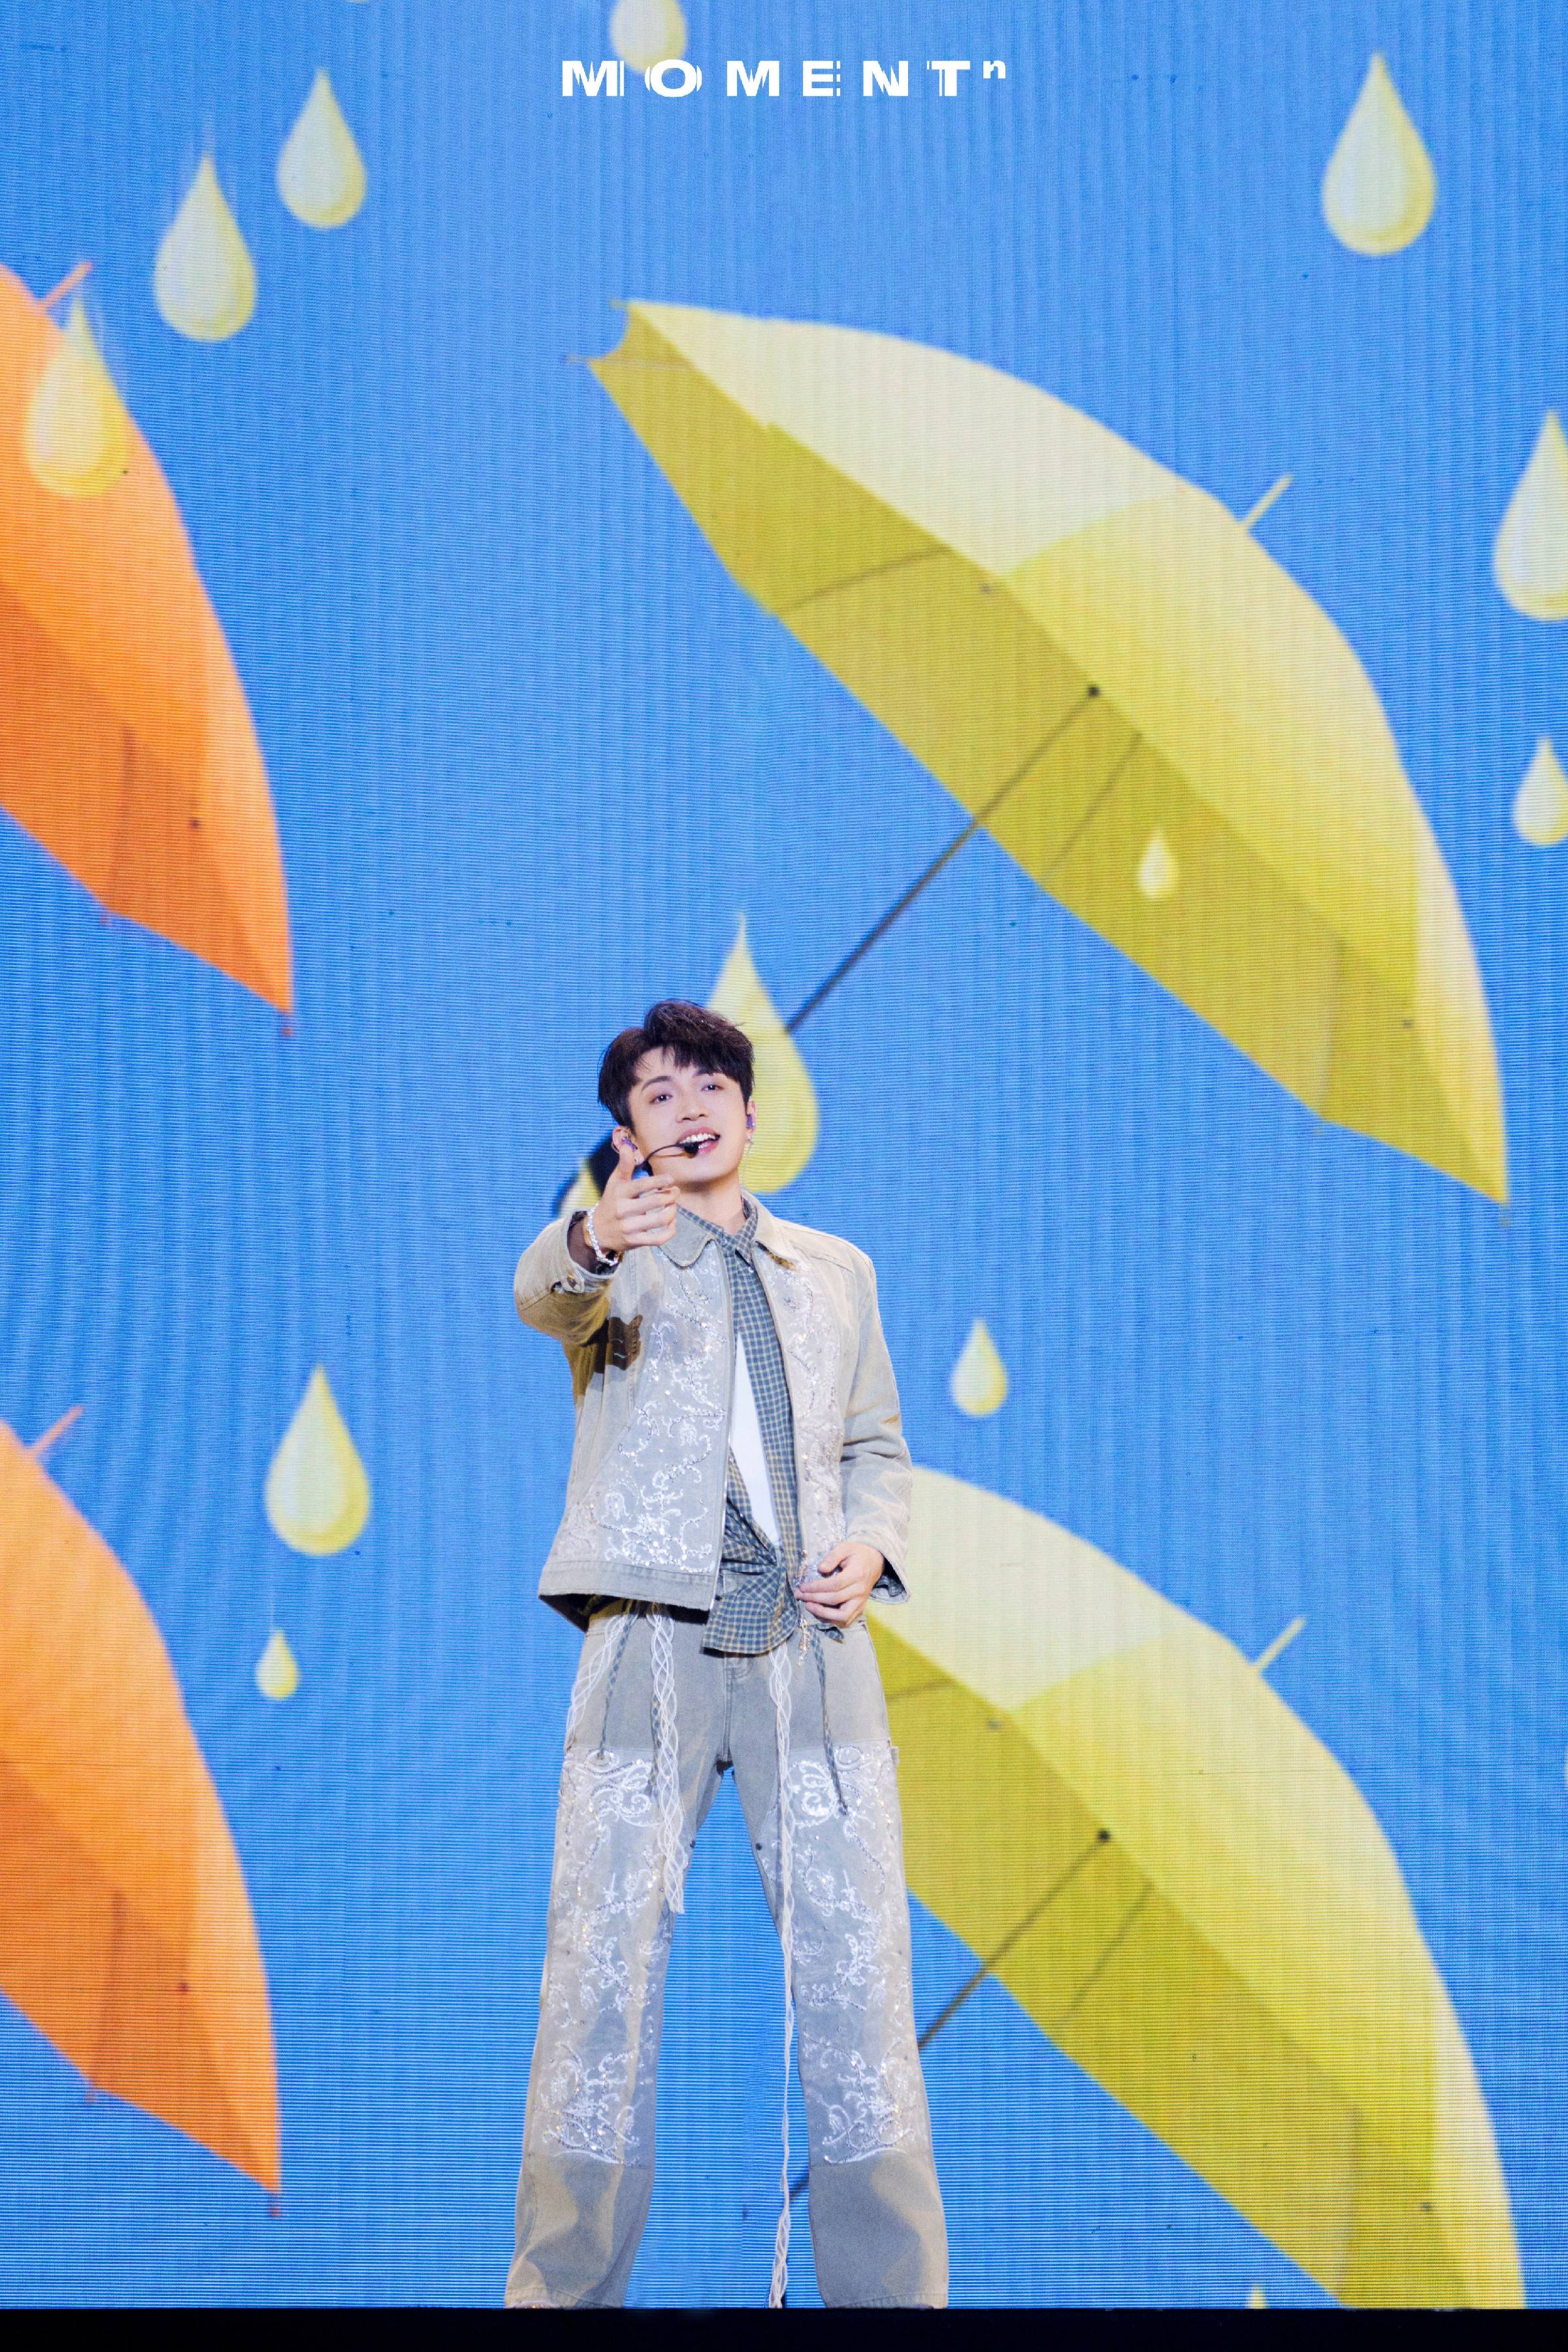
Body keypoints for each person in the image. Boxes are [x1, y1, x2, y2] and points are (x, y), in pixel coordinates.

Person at [504, 1000, 948, 2310]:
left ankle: (893, 2301)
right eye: (656, 1094)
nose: (688, 1107)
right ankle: (559, 2298)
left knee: (860, 1985)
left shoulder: (838, 1271)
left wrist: (870, 1544)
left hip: (812, 1648)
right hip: (648, 1639)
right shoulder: (614, 1253)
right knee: (599, 1979)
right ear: (627, 1136)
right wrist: (596, 1232)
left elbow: (876, 1445)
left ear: (751, 1114)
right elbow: (543, 1291)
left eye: (709, 1085)